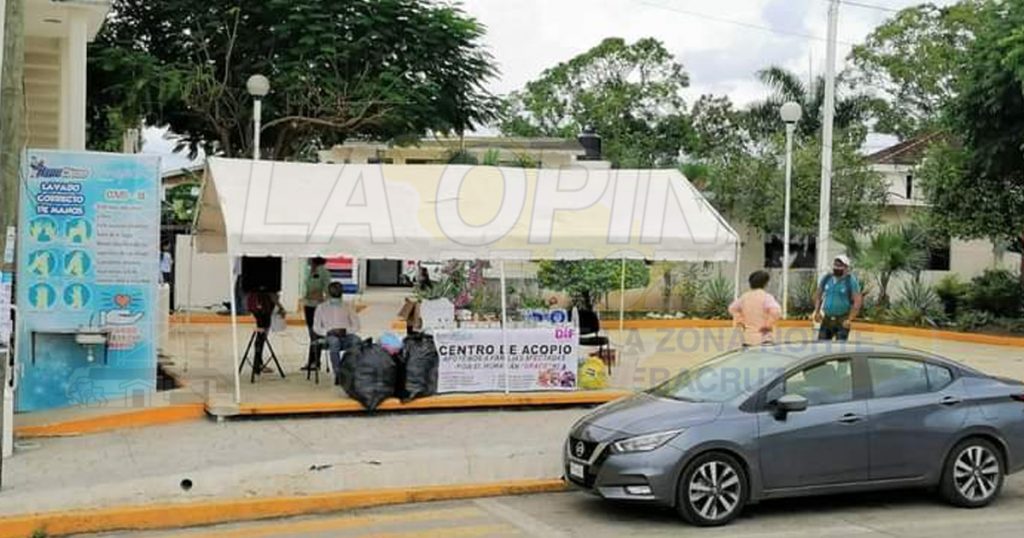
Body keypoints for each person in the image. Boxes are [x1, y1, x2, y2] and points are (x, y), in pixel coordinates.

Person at [313, 282, 362, 379]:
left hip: (345, 335)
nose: (336, 291)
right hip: (329, 337)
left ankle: (350, 369)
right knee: (334, 342)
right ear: (328, 292)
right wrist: (328, 331)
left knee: (356, 340)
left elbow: (356, 325)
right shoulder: (321, 307)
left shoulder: (348, 306)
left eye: (338, 289)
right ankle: (338, 373)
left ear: (341, 292)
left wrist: (345, 330)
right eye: (334, 290)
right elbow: (316, 327)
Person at [814, 254, 863, 341]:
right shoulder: (827, 278)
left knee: (839, 347)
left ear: (846, 268)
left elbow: (857, 302)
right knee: (821, 345)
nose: (837, 268)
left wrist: (849, 319)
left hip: (842, 320)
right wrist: (817, 312)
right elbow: (818, 295)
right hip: (827, 319)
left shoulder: (850, 281)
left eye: (840, 266)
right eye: (835, 265)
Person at [729, 270, 782, 347]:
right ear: (766, 284)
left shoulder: (744, 297)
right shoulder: (766, 297)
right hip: (763, 337)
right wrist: (768, 324)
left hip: (747, 337)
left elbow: (732, 308)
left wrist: (740, 320)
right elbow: (776, 311)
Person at [301, 257, 332, 370]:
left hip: (318, 307)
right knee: (312, 335)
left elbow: (327, 292)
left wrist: (320, 296)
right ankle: (312, 361)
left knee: (316, 334)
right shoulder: (308, 271)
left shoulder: (324, 272)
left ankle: (315, 362)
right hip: (308, 305)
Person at [246, 290, 285, 372]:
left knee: (261, 336)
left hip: (255, 305)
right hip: (263, 307)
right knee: (262, 336)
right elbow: (272, 294)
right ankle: (258, 364)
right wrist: (280, 307)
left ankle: (258, 363)